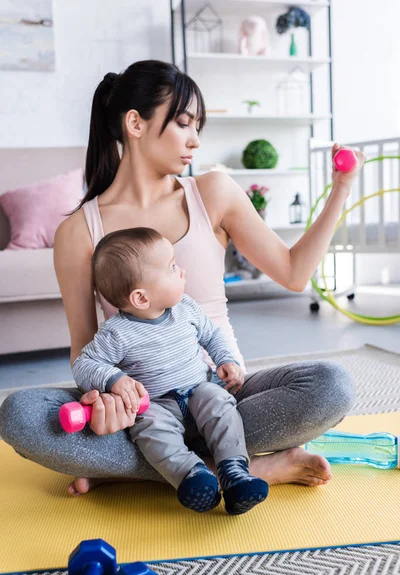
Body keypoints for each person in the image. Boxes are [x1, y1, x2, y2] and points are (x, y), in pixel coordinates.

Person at [0, 60, 362, 498]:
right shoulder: (78, 231)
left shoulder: (213, 192)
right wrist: (107, 399)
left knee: (331, 385)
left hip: (223, 396)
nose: (195, 140)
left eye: (198, 127)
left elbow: (294, 272)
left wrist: (341, 188)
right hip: (146, 409)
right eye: (184, 123)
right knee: (20, 414)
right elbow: (85, 347)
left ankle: (145, 468)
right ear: (135, 123)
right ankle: (245, 466)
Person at [72, 226, 269, 514]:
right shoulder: (117, 333)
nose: (182, 270)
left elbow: (212, 335)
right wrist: (115, 379)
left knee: (221, 403)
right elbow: (84, 364)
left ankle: (235, 472)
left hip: (200, 390)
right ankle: (192, 476)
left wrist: (226, 360)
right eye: (172, 267)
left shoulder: (186, 308)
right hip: (157, 405)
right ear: (141, 298)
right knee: (149, 429)